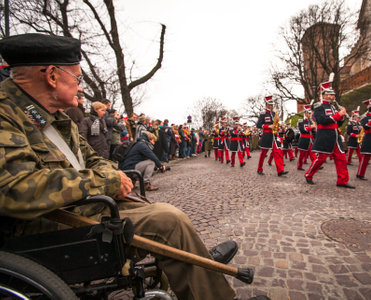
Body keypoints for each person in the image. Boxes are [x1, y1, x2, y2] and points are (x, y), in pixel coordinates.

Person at [0, 33, 268, 300]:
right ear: (52, 76)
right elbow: (13, 189)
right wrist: (105, 182)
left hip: (80, 206)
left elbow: (92, 158)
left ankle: (193, 263)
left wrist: (110, 176)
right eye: (77, 78)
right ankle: (203, 278)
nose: (80, 87)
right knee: (168, 221)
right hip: (42, 225)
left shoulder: (56, 118)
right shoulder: (6, 113)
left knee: (157, 212)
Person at [304, 76, 354, 188]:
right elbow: (322, 121)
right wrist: (338, 115)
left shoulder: (333, 108)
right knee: (321, 158)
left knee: (341, 158)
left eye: (333, 94)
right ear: (324, 95)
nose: (333, 96)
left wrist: (342, 117)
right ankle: (309, 174)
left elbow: (337, 122)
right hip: (325, 136)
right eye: (330, 94)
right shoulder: (319, 107)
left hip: (335, 135)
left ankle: (342, 181)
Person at [256, 96, 287, 176]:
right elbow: (258, 125)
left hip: (274, 135)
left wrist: (279, 124)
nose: (271, 106)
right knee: (263, 153)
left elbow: (276, 124)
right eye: (270, 105)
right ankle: (259, 169)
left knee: (278, 152)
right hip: (266, 135)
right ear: (266, 105)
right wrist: (268, 126)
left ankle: (280, 171)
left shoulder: (274, 114)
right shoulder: (263, 114)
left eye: (272, 105)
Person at [297, 104, 317, 171]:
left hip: (311, 140)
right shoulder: (301, 121)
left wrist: (314, 128)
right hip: (304, 139)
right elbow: (302, 130)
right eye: (309, 113)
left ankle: (315, 165)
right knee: (302, 155)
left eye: (310, 113)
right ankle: (299, 166)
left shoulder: (311, 121)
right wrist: (311, 127)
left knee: (313, 154)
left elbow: (313, 132)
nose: (310, 115)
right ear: (305, 113)